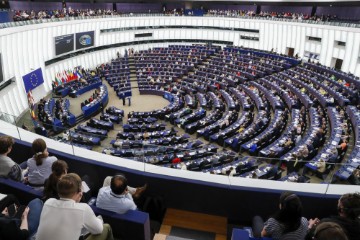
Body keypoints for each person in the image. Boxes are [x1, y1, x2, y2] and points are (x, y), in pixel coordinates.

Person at [36, 173, 114, 240]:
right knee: (106, 227)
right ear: (80, 193)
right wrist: (99, 219)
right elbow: (98, 230)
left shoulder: (48, 202)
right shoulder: (83, 208)